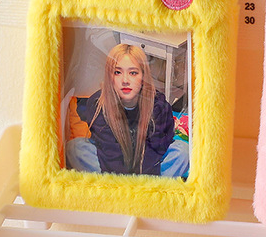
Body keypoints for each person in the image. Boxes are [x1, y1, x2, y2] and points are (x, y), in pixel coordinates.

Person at [65, 43, 189, 177]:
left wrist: (140, 183)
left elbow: (154, 153)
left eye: (133, 73)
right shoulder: (98, 104)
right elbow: (110, 155)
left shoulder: (159, 105)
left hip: (147, 167)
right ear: (110, 77)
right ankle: (120, 186)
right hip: (113, 164)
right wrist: (124, 184)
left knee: (183, 151)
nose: (125, 80)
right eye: (117, 72)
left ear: (143, 77)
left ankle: (145, 188)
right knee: (75, 148)